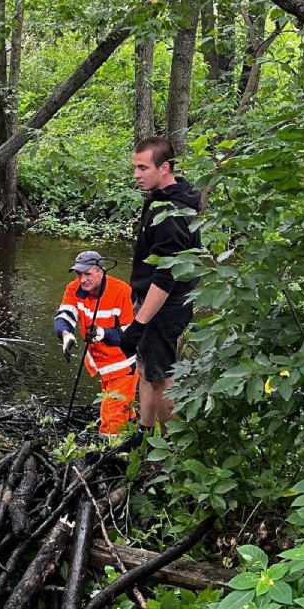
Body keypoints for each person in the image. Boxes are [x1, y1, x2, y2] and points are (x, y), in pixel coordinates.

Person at [118, 136, 202, 442]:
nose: (136, 175)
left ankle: (170, 451)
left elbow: (167, 275)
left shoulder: (172, 213)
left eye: (143, 168)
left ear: (164, 167)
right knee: (146, 370)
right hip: (153, 301)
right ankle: (144, 432)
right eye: (135, 167)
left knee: (163, 378)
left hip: (162, 306)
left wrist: (140, 324)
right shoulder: (164, 197)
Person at [54, 251, 138, 436]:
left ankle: (110, 453)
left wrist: (104, 333)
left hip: (123, 365)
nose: (82, 279)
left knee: (112, 417)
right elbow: (65, 314)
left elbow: (132, 333)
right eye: (79, 274)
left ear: (101, 271)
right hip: (101, 363)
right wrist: (66, 334)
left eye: (87, 274)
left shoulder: (122, 291)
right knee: (123, 407)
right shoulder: (74, 288)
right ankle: (134, 432)